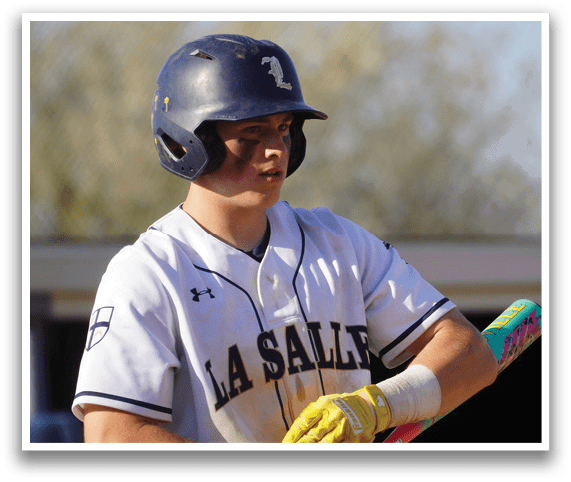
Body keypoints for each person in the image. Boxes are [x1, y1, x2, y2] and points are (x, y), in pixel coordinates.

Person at [72, 34, 498, 443]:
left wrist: (377, 406)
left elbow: (470, 353)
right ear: (187, 140)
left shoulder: (340, 243)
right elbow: (112, 435)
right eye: (252, 132)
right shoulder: (148, 273)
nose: (277, 148)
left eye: (283, 128)